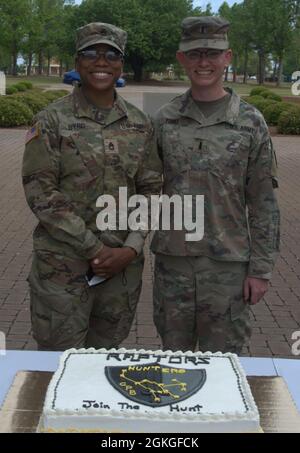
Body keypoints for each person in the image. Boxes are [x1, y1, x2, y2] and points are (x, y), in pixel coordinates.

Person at [22, 23, 162, 351]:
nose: (101, 61)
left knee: (105, 367)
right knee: (59, 366)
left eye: (111, 54)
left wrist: (131, 247)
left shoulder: (140, 124)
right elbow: (40, 192)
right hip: (62, 270)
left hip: (120, 274)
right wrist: (95, 250)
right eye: (91, 53)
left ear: (121, 65)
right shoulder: (51, 120)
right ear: (76, 62)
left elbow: (152, 190)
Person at [151, 16, 280, 354]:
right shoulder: (164, 119)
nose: (203, 62)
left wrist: (261, 270)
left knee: (223, 368)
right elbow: (147, 190)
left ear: (228, 57)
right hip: (173, 266)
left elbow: (263, 201)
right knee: (173, 366)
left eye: (212, 53)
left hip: (228, 270)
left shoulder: (250, 122)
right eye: (194, 54)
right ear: (181, 59)